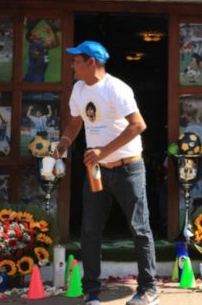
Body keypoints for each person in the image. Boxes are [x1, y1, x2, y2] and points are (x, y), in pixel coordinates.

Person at [53, 40, 158, 305]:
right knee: (90, 230)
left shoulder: (116, 88)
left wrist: (102, 151)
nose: (72, 65)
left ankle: (148, 289)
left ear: (92, 62)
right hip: (97, 170)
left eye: (76, 60)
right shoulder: (78, 88)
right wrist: (65, 142)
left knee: (139, 228)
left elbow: (138, 125)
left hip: (128, 168)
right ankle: (92, 292)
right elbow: (76, 121)